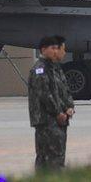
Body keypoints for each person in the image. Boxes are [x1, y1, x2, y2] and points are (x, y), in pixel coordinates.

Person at [27, 35, 74, 170]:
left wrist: (69, 107)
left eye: (56, 48)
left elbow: (64, 91)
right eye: (52, 48)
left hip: (59, 120)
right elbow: (44, 94)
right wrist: (58, 112)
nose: (56, 51)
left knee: (57, 157)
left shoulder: (55, 68)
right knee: (48, 158)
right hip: (46, 120)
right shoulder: (40, 69)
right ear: (43, 50)